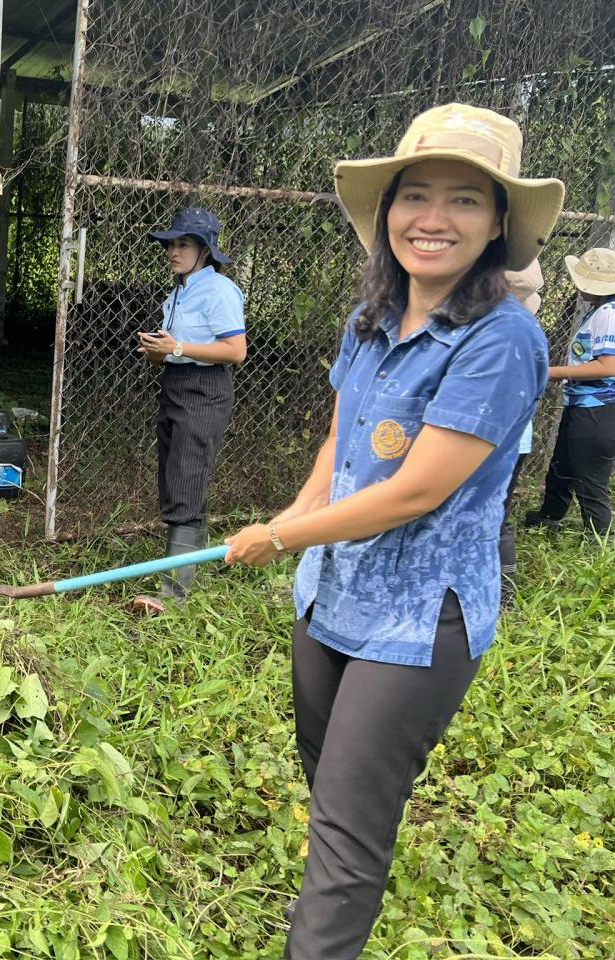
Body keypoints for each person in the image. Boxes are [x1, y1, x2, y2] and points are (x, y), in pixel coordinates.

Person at [223, 103, 564, 959]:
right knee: (332, 788)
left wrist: (281, 539)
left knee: (345, 828)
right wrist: (294, 517)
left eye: (465, 201)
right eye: (416, 195)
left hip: (418, 623)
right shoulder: (371, 317)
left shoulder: (503, 339)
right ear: (387, 213)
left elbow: (415, 491)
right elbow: (341, 445)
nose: (434, 219)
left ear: (496, 226)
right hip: (332, 595)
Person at [132, 207, 246, 614]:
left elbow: (235, 351)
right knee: (177, 480)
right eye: (171, 244)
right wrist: (157, 352)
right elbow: (173, 353)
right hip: (176, 386)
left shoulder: (219, 291)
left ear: (205, 250)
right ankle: (180, 580)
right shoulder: (178, 293)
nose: (173, 252)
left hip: (205, 390)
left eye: (183, 244)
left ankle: (174, 596)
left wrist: (177, 348)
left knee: (186, 481)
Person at [523, 246, 615, 538]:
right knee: (561, 465)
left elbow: (607, 366)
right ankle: (549, 518)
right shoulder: (599, 309)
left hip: (599, 410)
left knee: (590, 484)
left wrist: (550, 373)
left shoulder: (608, 314)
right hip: (585, 406)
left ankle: (600, 546)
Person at [498, 259, 545, 603]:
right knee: (498, 512)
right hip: (517, 439)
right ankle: (505, 591)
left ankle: (503, 593)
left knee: (493, 514)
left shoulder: (504, 338)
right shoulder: (527, 334)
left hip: (498, 440)